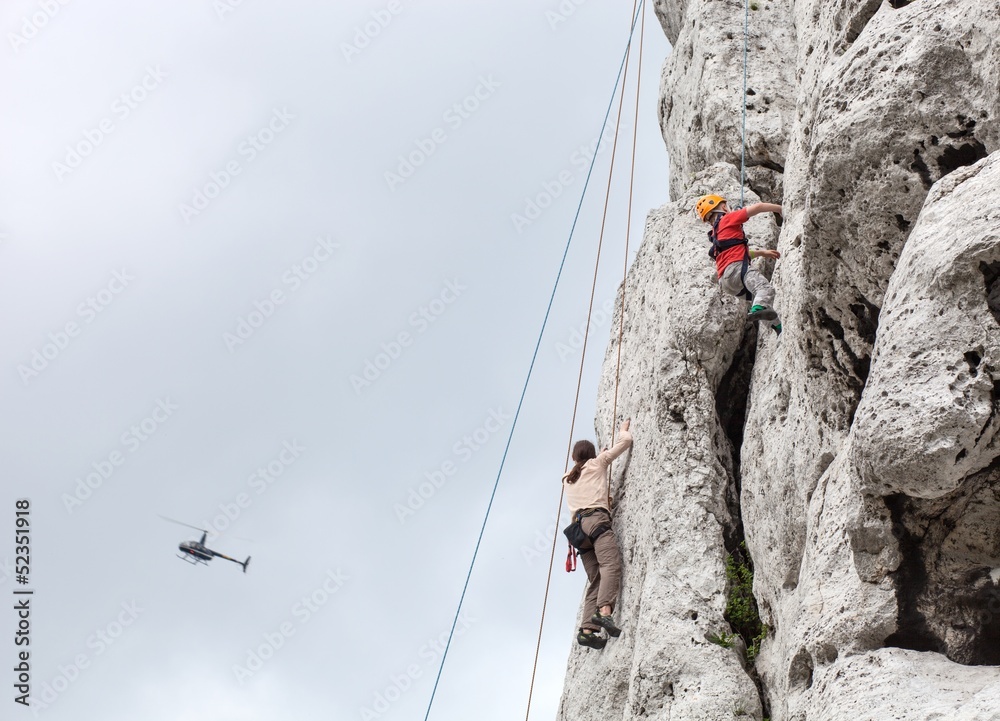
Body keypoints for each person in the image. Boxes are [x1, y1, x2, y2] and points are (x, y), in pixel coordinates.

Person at [563, 419, 632, 649]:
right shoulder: (597, 464)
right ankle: (604, 612)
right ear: (592, 455)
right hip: (596, 522)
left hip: (579, 534)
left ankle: (586, 631)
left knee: (596, 578)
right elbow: (626, 443)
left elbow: (583, 472)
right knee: (610, 565)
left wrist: (595, 458)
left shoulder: (567, 478)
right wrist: (622, 431)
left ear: (574, 458)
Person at [695, 194, 783, 335]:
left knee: (758, 295)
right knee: (765, 289)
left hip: (726, 282)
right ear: (724, 207)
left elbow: (739, 254)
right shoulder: (729, 218)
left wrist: (762, 253)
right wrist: (780, 209)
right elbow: (758, 207)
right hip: (737, 270)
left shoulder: (716, 236)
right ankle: (759, 309)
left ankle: (777, 326)